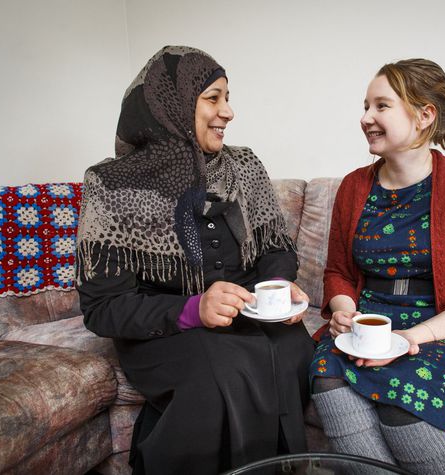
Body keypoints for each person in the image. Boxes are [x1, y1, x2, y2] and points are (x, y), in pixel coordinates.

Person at [76, 46, 314, 474]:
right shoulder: (111, 184)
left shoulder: (243, 166)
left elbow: (276, 248)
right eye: (213, 98)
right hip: (165, 329)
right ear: (172, 104)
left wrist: (274, 289)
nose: (229, 111)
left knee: (293, 348)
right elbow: (102, 308)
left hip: (247, 313)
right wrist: (194, 308)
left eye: (228, 97)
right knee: (221, 369)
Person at [309, 59, 445, 475]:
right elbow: (337, 270)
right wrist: (343, 310)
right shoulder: (354, 186)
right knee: (325, 371)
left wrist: (412, 338)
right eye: (365, 105)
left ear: (425, 115)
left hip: (442, 327)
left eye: (381, 106)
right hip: (369, 324)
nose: (365, 117)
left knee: (402, 392)